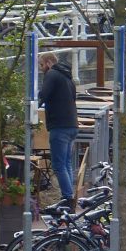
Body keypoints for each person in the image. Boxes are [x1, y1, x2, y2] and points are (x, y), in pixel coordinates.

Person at [38, 51, 79, 209]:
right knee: (66, 163)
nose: (41, 69)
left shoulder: (52, 74)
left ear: (48, 62)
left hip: (59, 126)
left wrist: (34, 104)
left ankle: (67, 199)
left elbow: (44, 95)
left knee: (58, 164)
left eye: (42, 65)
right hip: (72, 125)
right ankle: (69, 196)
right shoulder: (68, 77)